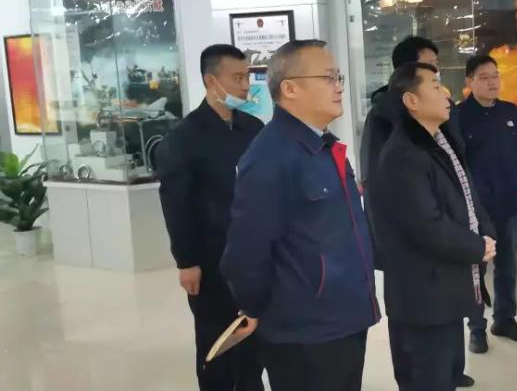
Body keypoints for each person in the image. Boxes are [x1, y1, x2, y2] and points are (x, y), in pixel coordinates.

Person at [220, 40, 380, 391]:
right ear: (290, 88)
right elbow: (246, 252)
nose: (339, 87)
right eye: (328, 78)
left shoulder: (322, 146)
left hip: (345, 317)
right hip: (305, 330)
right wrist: (255, 306)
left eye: (338, 77)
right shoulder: (270, 156)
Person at [371, 62, 496, 391]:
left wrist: (485, 231)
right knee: (427, 377)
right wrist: (477, 246)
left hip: (445, 288)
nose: (446, 94)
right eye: (436, 86)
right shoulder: (403, 154)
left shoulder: (439, 140)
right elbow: (426, 224)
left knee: (445, 374)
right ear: (411, 100)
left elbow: (466, 195)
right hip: (422, 296)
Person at [156, 44, 265, 391]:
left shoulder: (253, 128)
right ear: (211, 80)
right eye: (237, 78)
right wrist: (186, 261)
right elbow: (176, 203)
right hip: (211, 258)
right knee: (217, 342)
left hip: (253, 255)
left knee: (253, 344)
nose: (245, 86)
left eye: (247, 77)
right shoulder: (185, 138)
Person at [457, 55, 517, 353]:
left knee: (507, 265)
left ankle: (505, 319)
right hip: (476, 210)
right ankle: (476, 328)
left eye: (495, 76)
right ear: (469, 81)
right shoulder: (458, 116)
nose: (492, 82)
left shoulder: (510, 111)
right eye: (484, 77)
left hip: (509, 203)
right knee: (475, 269)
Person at [359, 35, 440, 192]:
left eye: (437, 64)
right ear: (407, 69)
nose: (436, 71)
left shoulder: (442, 107)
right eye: (430, 65)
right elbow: (372, 173)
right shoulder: (382, 115)